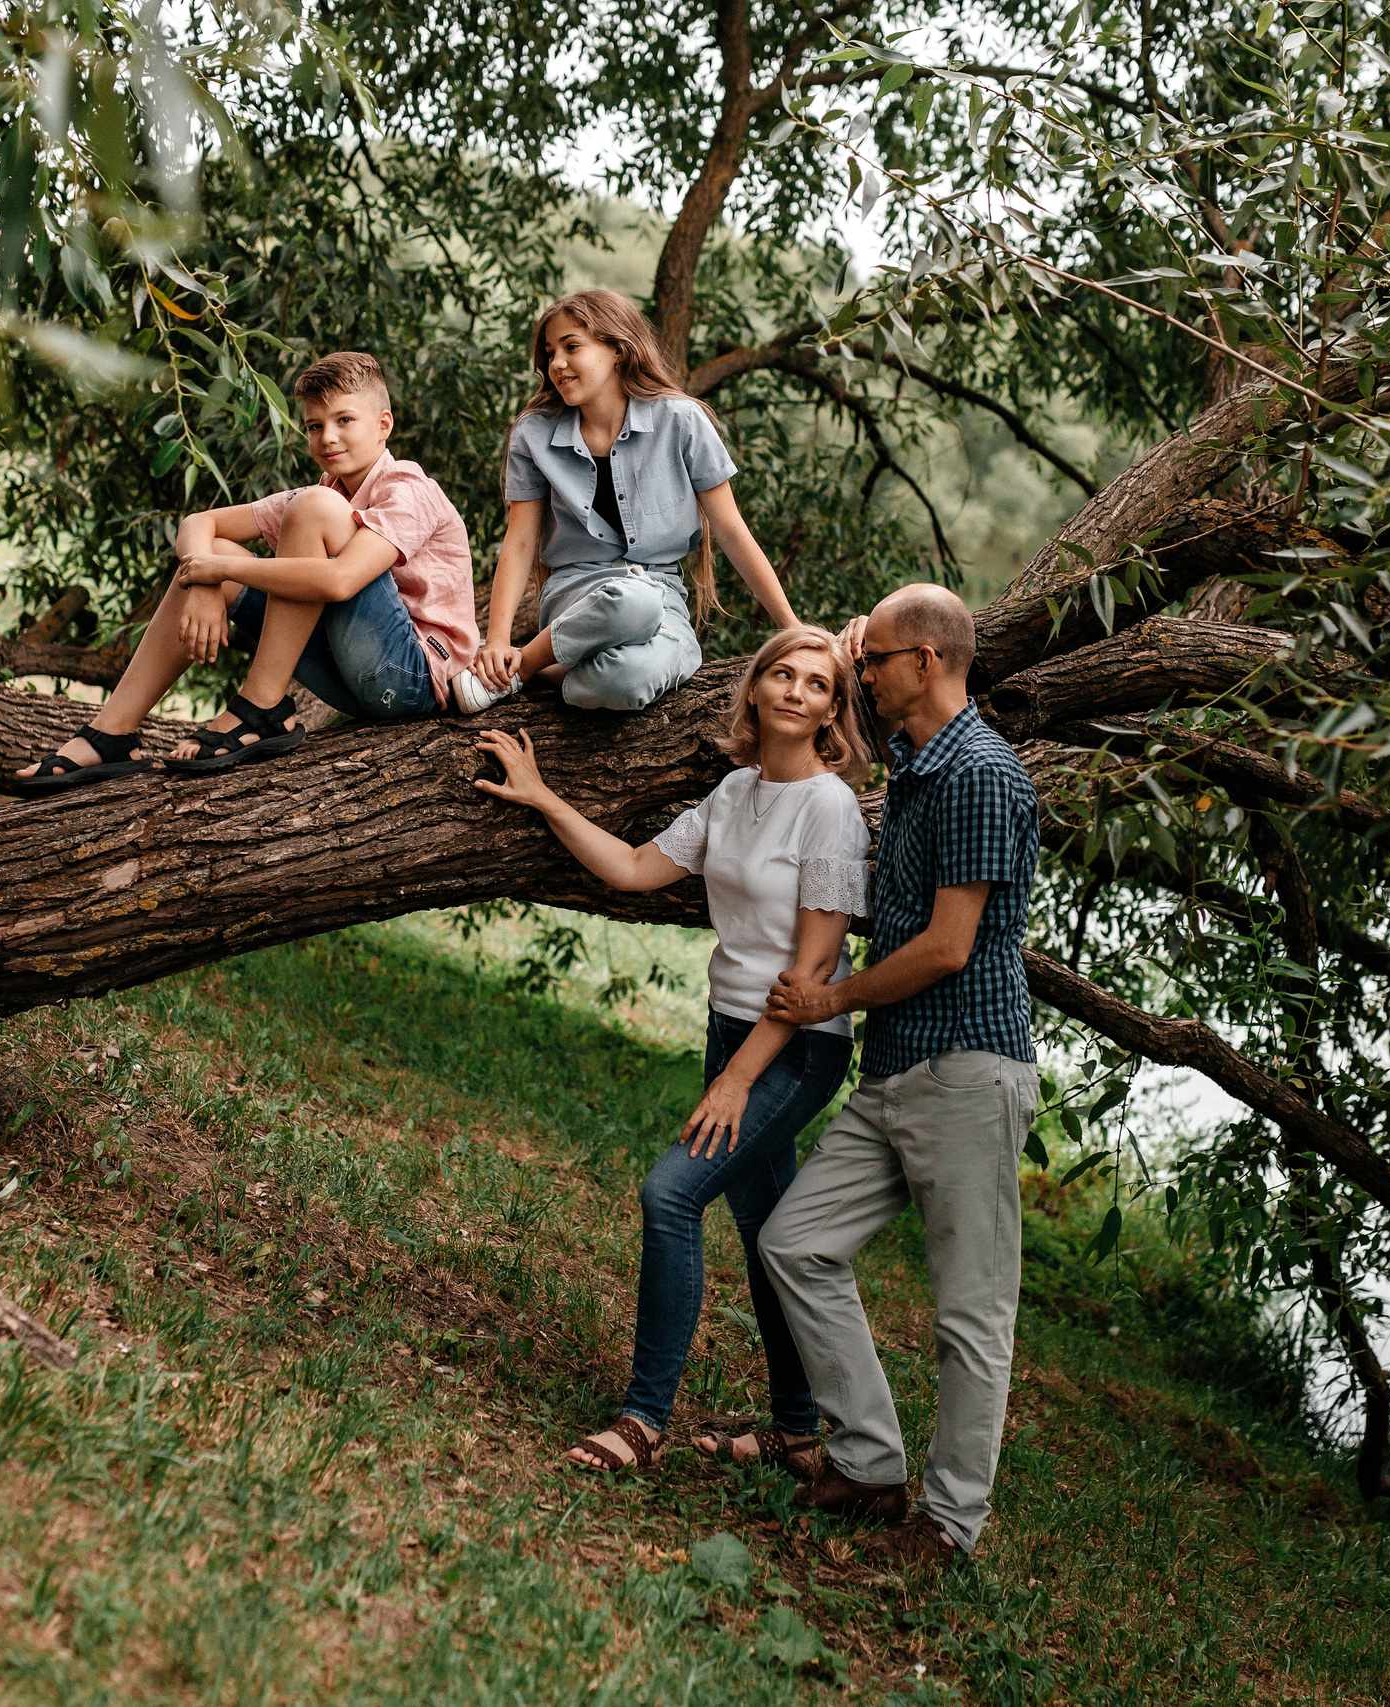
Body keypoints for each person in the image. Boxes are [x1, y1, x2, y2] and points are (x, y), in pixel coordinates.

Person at [471, 625, 872, 1475]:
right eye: (785, 675)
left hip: (793, 1048)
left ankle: (643, 1420)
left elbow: (812, 970)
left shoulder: (832, 807)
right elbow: (629, 866)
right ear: (757, 689)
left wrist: (735, 1079)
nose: (800, 690)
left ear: (835, 710)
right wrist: (543, 796)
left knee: (671, 1194)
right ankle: (800, 1430)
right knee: (768, 1233)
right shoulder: (734, 793)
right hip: (731, 1026)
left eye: (820, 684)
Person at [755, 583, 1041, 1568]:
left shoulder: (982, 778)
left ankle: (949, 1527)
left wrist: (835, 999)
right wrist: (862, 643)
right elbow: (878, 726)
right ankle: (871, 1464)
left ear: (923, 663)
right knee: (796, 1242)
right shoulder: (923, 759)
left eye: (869, 659)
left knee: (968, 1315)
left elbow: (949, 946)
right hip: (899, 1069)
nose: (856, 670)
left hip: (966, 1067)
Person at [12, 351, 477, 792]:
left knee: (301, 513)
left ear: (383, 425)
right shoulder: (327, 492)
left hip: (411, 679)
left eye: (344, 421)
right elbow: (200, 523)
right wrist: (204, 585)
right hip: (354, 676)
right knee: (229, 542)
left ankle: (261, 706)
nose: (327, 437)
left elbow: (341, 581)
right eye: (314, 426)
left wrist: (217, 568)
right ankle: (111, 735)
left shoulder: (408, 489)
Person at [453, 289, 804, 716]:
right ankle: (518, 665)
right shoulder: (534, 434)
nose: (556, 363)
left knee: (627, 681)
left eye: (571, 347)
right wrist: (496, 641)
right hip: (579, 595)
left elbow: (732, 531)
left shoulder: (682, 420)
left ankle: (530, 669)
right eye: (549, 353)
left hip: (664, 600)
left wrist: (793, 630)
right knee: (632, 602)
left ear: (618, 349)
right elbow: (521, 541)